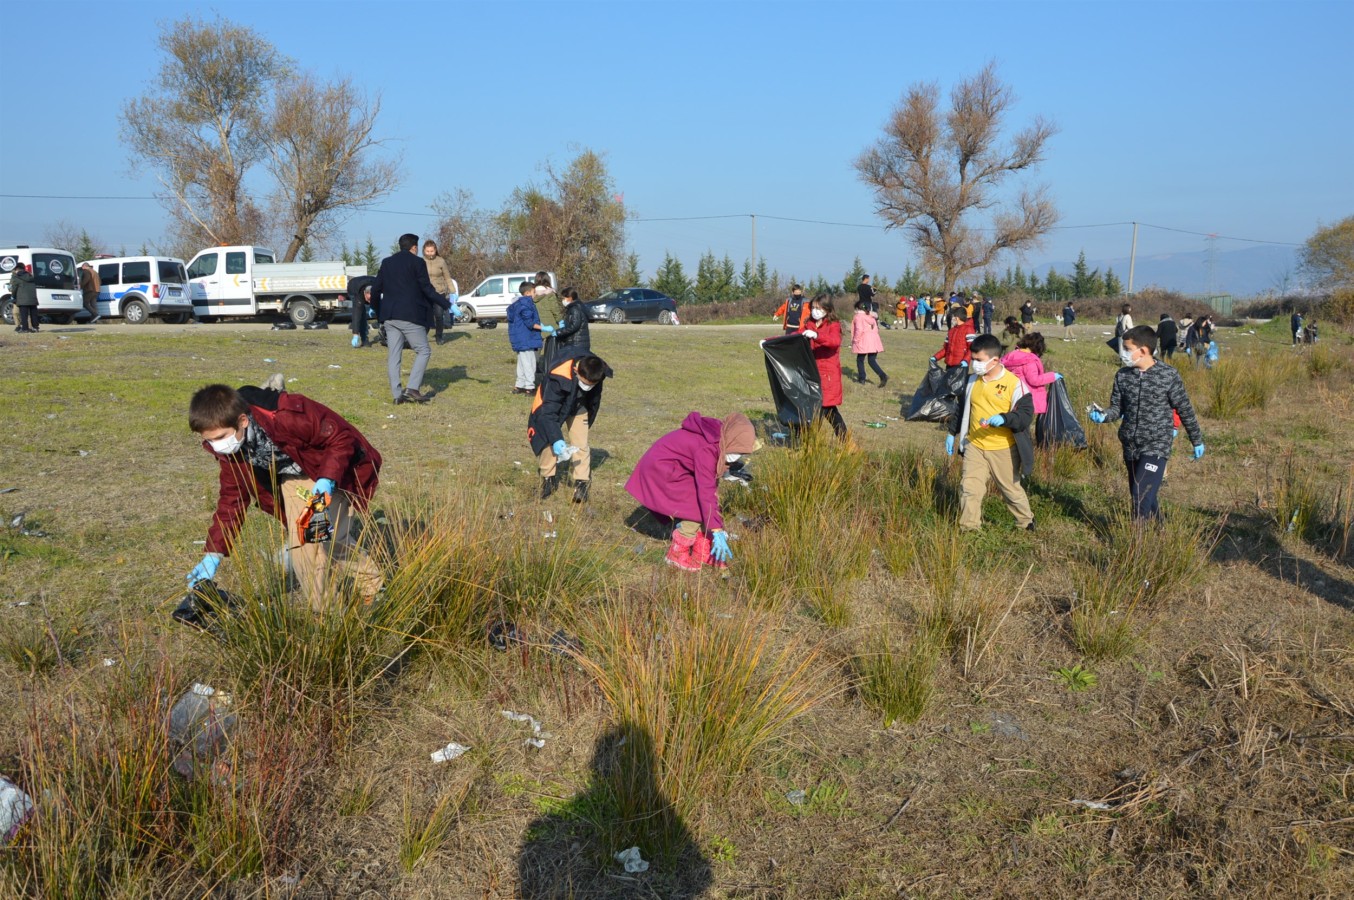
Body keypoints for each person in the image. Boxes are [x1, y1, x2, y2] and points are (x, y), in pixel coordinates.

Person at [185, 383, 384, 611]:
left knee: (333, 540)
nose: (217, 446)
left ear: (243, 421)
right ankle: (326, 613)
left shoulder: (286, 414)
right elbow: (232, 499)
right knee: (304, 544)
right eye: (210, 440)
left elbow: (341, 439)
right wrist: (214, 553)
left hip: (332, 468)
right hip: (294, 478)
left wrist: (327, 479)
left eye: (221, 437)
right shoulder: (230, 452)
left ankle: (373, 588)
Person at [1089, 325, 1204, 521]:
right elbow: (1117, 408)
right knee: (1141, 492)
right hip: (1130, 445)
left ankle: (1137, 537)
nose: (1123, 353)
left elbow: (1185, 409)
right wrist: (1104, 415)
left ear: (1142, 350)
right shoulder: (1122, 376)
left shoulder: (1168, 375)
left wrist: (1197, 440)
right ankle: (1159, 529)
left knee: (1140, 494)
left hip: (1156, 444)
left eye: (1127, 349)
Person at [624, 411, 760, 571]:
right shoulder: (707, 449)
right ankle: (677, 553)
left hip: (672, 467)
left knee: (705, 504)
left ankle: (701, 550)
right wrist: (717, 530)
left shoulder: (720, 438)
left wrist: (713, 523)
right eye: (738, 451)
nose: (737, 456)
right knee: (694, 507)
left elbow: (710, 484)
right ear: (732, 440)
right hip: (660, 470)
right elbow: (706, 491)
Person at [945, 334, 1036, 532]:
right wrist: (952, 432)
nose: (974, 364)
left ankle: (1026, 522)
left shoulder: (1015, 385)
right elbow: (962, 409)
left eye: (979, 360)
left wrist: (1005, 418)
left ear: (994, 360)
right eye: (973, 359)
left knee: (1010, 489)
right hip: (975, 445)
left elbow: (1025, 416)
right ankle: (969, 528)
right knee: (970, 488)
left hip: (1003, 448)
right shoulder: (971, 381)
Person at [371, 233, 450, 405]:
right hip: (410, 316)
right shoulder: (417, 262)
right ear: (414, 247)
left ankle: (397, 395)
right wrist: (446, 304)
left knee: (394, 355)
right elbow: (427, 289)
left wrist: (378, 311)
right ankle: (412, 388)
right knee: (423, 350)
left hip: (390, 317)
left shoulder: (386, 262)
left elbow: (375, 289)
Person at [528, 353, 611, 503]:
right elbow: (548, 413)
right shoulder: (558, 377)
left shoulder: (598, 372)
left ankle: (581, 483)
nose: (587, 387)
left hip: (579, 407)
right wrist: (556, 439)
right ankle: (548, 479)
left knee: (581, 444)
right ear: (576, 370)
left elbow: (593, 401)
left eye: (591, 385)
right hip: (554, 407)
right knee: (548, 440)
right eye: (584, 383)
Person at [798, 295, 847, 438]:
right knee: (823, 408)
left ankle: (813, 440)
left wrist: (816, 336)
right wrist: (770, 341)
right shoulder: (810, 324)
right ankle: (814, 441)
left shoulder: (833, 325)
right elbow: (794, 336)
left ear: (827, 309)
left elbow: (834, 341)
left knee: (825, 408)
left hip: (828, 373)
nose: (815, 311)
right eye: (813, 308)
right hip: (813, 372)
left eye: (818, 308)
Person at [1001, 332, 1062, 444]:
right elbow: (1034, 380)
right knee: (1024, 424)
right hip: (1026, 397)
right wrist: (1052, 376)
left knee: (1012, 421)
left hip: (1010, 394)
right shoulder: (1029, 360)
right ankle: (1024, 447)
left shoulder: (1011, 355)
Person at [507, 282, 550, 394]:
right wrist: (543, 328)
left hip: (520, 338)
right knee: (530, 363)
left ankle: (519, 385)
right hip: (526, 338)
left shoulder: (517, 304)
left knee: (522, 363)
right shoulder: (526, 305)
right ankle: (529, 387)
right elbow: (530, 323)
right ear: (527, 293)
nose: (535, 294)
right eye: (534, 292)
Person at [422, 240, 458, 345]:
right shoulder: (421, 261)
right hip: (426, 293)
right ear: (424, 251)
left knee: (439, 315)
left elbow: (447, 277)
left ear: (435, 250)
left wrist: (453, 292)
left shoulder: (441, 261)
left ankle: (439, 337)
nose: (430, 253)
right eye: (427, 251)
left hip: (439, 292)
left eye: (431, 251)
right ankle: (422, 337)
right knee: (426, 316)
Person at [850, 298, 888, 388]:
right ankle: (882, 375)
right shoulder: (872, 316)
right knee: (871, 360)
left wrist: (855, 340)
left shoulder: (858, 317)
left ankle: (862, 378)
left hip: (863, 341)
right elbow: (875, 329)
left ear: (857, 308)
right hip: (874, 341)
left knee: (860, 360)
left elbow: (859, 330)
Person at [533, 273, 565, 367]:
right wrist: (560, 321)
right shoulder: (550, 293)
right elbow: (555, 309)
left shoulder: (532, 293)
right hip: (550, 324)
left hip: (536, 323)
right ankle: (550, 365)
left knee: (536, 348)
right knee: (551, 348)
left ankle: (534, 365)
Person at [553, 287, 591, 360]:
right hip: (579, 341)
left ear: (570, 298)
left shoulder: (575, 309)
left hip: (576, 341)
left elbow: (574, 326)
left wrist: (559, 332)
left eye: (564, 298)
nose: (563, 300)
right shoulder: (577, 307)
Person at [934, 308, 975, 374]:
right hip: (949, 365)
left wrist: (965, 361)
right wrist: (935, 357)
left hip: (961, 366)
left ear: (957, 318)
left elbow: (972, 348)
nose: (951, 319)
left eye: (952, 317)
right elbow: (946, 348)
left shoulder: (969, 329)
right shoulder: (951, 331)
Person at [8, 264, 39, 333]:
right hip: (33, 298)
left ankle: (25, 329)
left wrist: (13, 296)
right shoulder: (30, 276)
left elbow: (14, 289)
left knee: (24, 315)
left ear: (17, 269)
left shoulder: (17, 277)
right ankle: (35, 328)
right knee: (33, 314)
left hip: (22, 299)